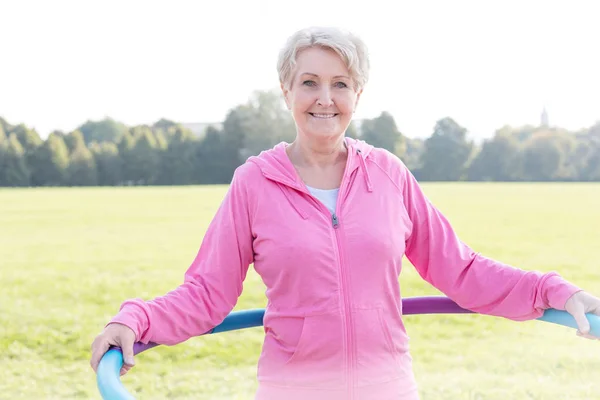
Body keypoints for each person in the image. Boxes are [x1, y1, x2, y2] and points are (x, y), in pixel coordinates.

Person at [90, 26, 600, 400]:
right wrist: (135, 320)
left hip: (388, 386)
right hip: (294, 389)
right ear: (287, 91)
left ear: (358, 94)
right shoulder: (253, 182)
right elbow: (207, 291)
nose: (325, 99)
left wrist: (552, 290)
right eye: (309, 82)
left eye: (340, 84)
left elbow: (461, 269)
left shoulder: (388, 174)